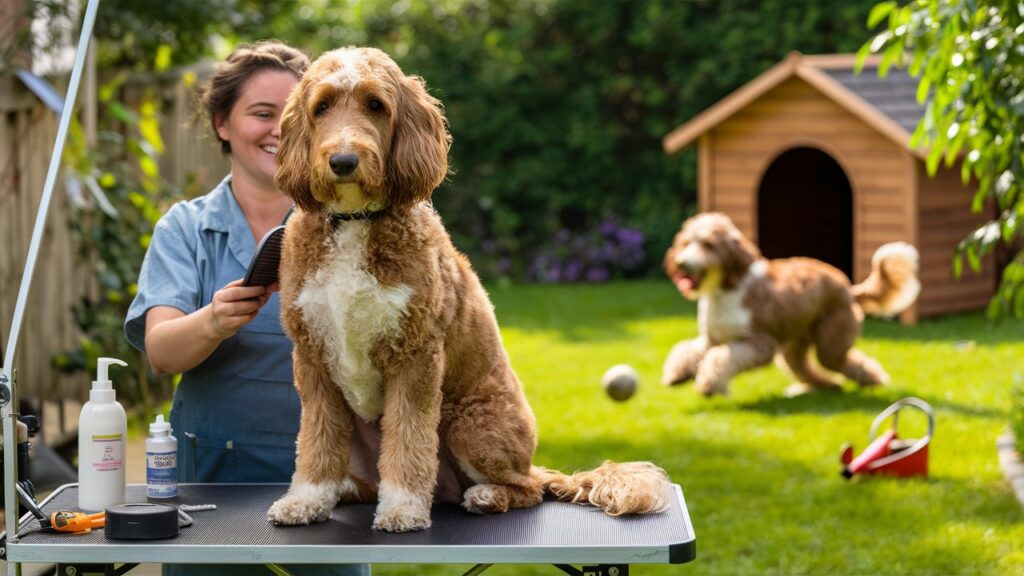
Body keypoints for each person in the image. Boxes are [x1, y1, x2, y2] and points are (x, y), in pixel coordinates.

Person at [125, 40, 368, 576]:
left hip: (330, 480)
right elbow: (161, 353)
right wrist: (214, 321)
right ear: (221, 124)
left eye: (296, 115)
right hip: (211, 481)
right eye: (262, 114)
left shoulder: (357, 227)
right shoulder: (184, 229)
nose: (279, 130)